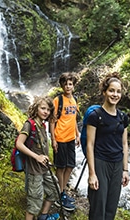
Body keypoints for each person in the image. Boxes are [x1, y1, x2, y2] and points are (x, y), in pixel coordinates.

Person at [86, 72, 130, 220]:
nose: (115, 94)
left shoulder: (123, 118)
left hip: (117, 165)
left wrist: (125, 170)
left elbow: (124, 144)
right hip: (100, 163)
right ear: (104, 92)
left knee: (111, 208)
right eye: (111, 90)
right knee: (98, 207)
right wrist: (92, 174)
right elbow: (90, 145)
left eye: (118, 91)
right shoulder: (95, 116)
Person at [16, 96, 60, 220]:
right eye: (43, 108)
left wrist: (45, 158)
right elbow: (19, 144)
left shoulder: (42, 125)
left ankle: (44, 216)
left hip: (44, 167)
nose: (46, 112)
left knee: (55, 189)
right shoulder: (29, 124)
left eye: (48, 110)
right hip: (34, 170)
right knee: (35, 201)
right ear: (36, 108)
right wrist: (37, 157)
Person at [50, 72, 80, 211]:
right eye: (65, 84)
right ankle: (60, 194)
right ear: (62, 86)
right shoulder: (58, 100)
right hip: (60, 138)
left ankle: (62, 191)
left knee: (70, 166)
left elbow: (73, 119)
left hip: (71, 138)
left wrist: (78, 134)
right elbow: (52, 121)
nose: (68, 86)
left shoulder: (74, 100)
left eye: (70, 84)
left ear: (73, 86)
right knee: (61, 167)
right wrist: (53, 139)